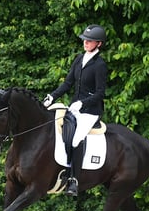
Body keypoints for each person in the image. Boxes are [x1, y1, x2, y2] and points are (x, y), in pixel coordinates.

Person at [43, 24, 107, 197]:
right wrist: (52, 96)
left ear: (98, 44)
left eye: (90, 41)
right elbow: (68, 83)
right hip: (74, 107)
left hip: (90, 111)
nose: (86, 42)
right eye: (85, 40)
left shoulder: (99, 64)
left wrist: (83, 103)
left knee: (76, 139)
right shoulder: (79, 59)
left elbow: (101, 92)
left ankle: (74, 180)